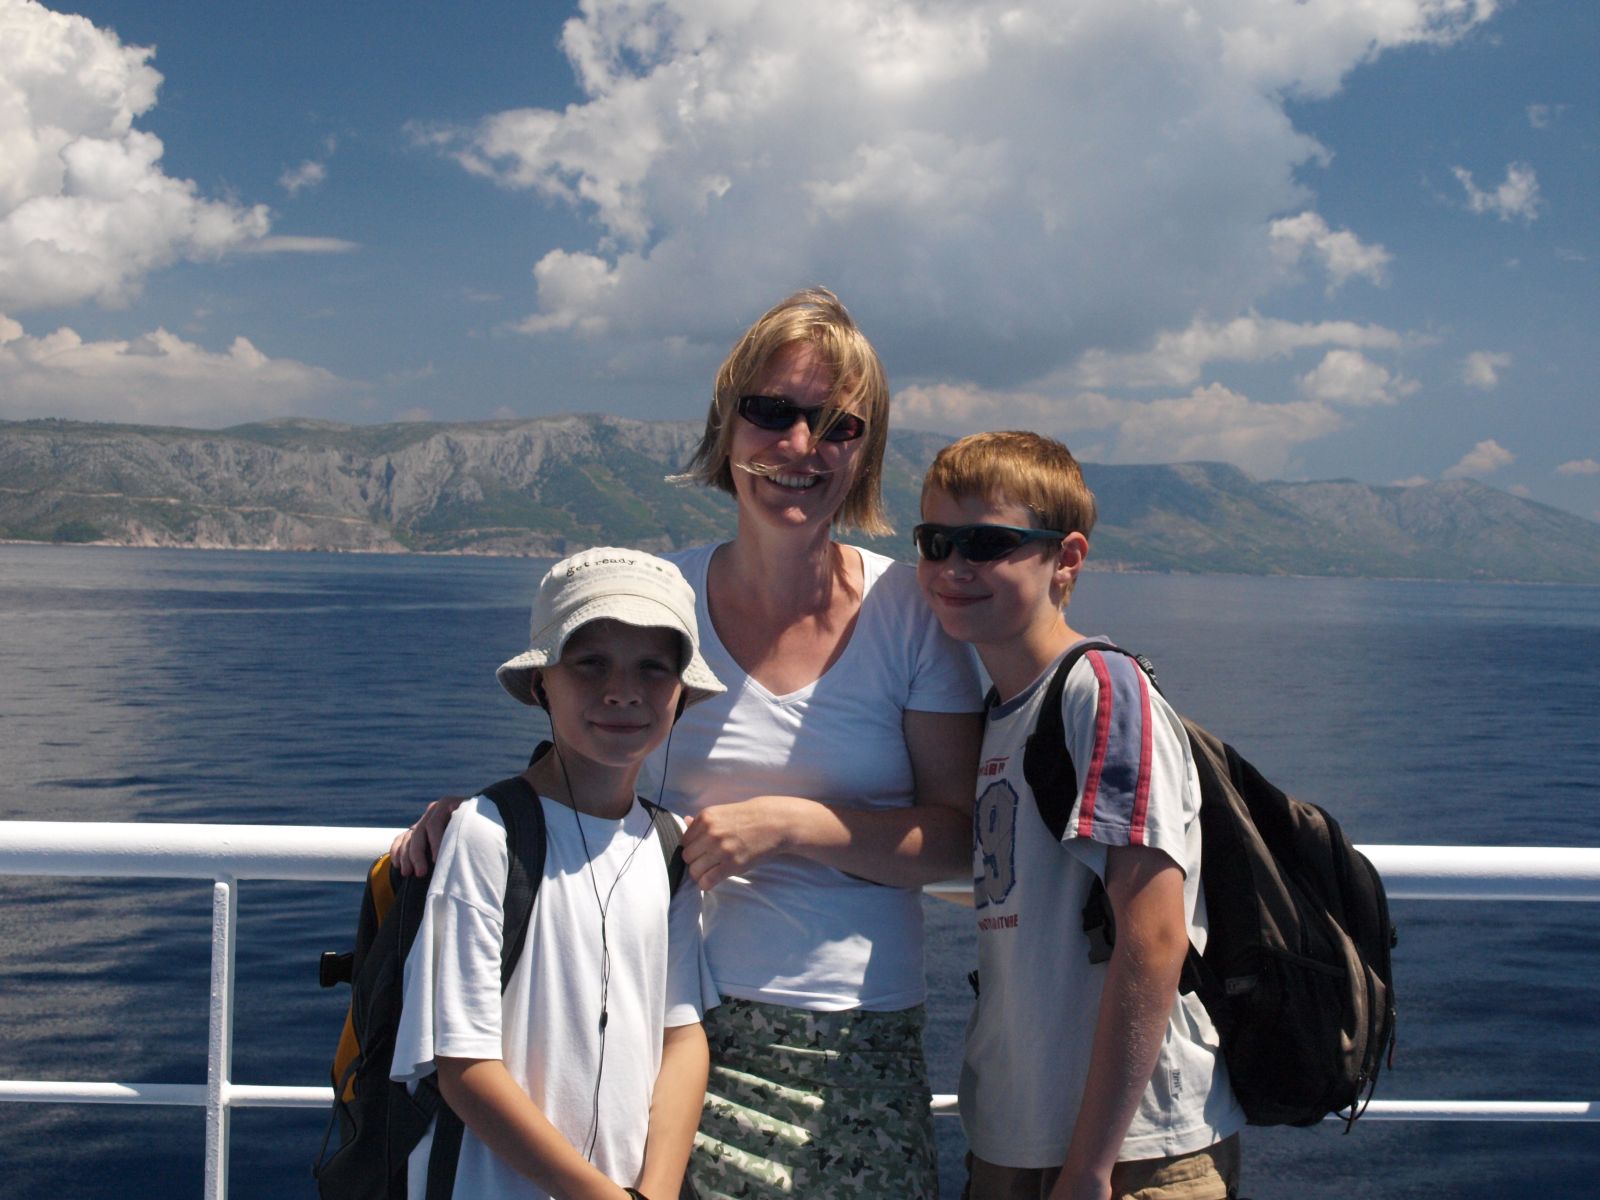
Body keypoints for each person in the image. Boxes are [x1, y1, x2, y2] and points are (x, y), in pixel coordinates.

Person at [395, 289, 985, 1199]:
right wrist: (487, 814)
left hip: (854, 1032)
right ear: (727, 424)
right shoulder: (661, 601)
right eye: (771, 411)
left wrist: (793, 826)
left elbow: (961, 841)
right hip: (661, 1022)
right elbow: (593, 744)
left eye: (837, 424)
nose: (800, 445)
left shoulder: (909, 612)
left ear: (865, 451)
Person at [914, 431, 1246, 1200]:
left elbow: (1154, 936)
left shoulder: (1099, 692)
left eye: (987, 543)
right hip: (1016, 1137)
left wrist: (1091, 1166)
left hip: (1130, 1152)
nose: (954, 566)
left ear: (1066, 559)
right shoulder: (1000, 712)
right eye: (935, 542)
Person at [390, 546, 725, 1200]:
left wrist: (653, 1192)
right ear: (543, 682)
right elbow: (464, 1067)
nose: (621, 690)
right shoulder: (489, 836)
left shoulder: (668, 848)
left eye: (653, 667)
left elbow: (682, 1037)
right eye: (590, 662)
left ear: (681, 693)